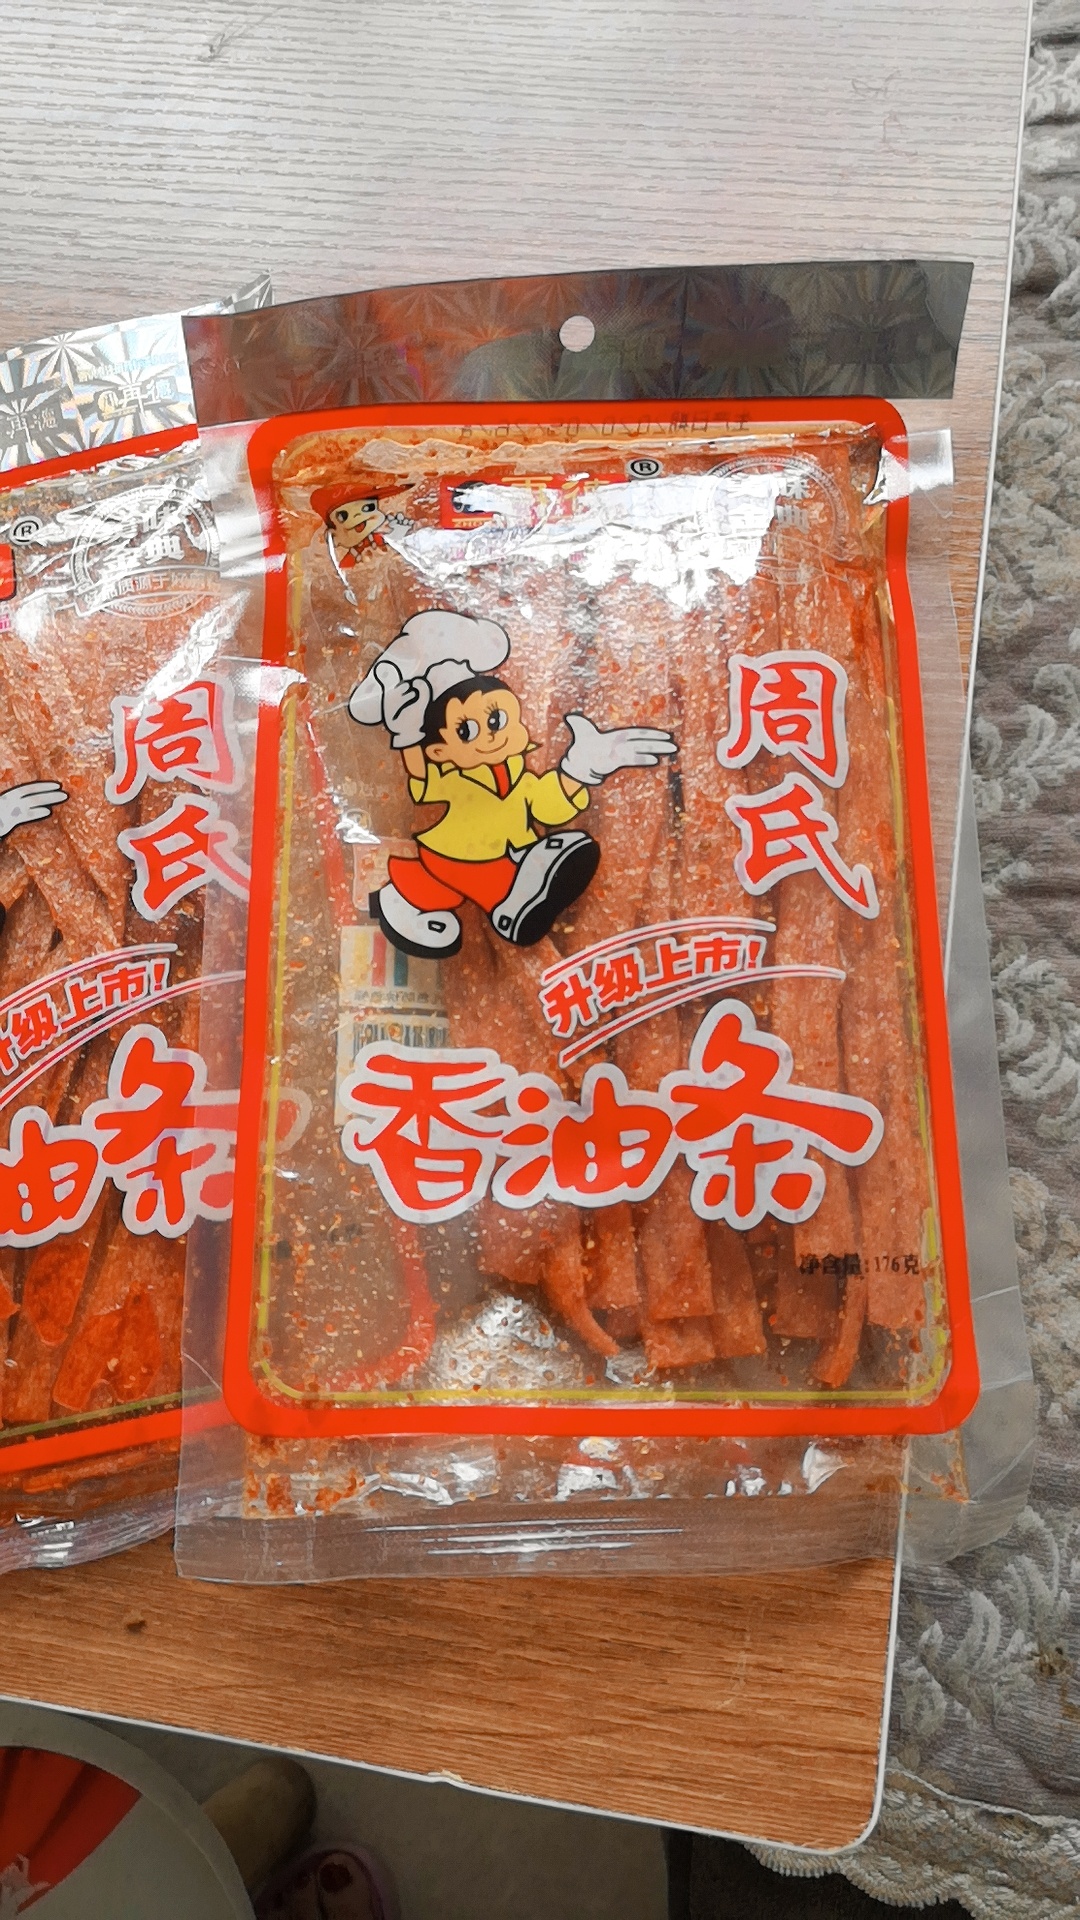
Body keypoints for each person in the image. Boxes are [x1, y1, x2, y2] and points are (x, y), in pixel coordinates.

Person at [348, 608, 678, 958]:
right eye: (466, 730)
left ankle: (516, 896)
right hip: (456, 854)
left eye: (497, 720)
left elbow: (546, 804)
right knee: (466, 882)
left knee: (505, 874)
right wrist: (407, 735)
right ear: (440, 751)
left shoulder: (519, 776)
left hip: (506, 853)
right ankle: (489, 907)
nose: (490, 737)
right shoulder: (452, 779)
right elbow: (422, 779)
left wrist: (581, 770)